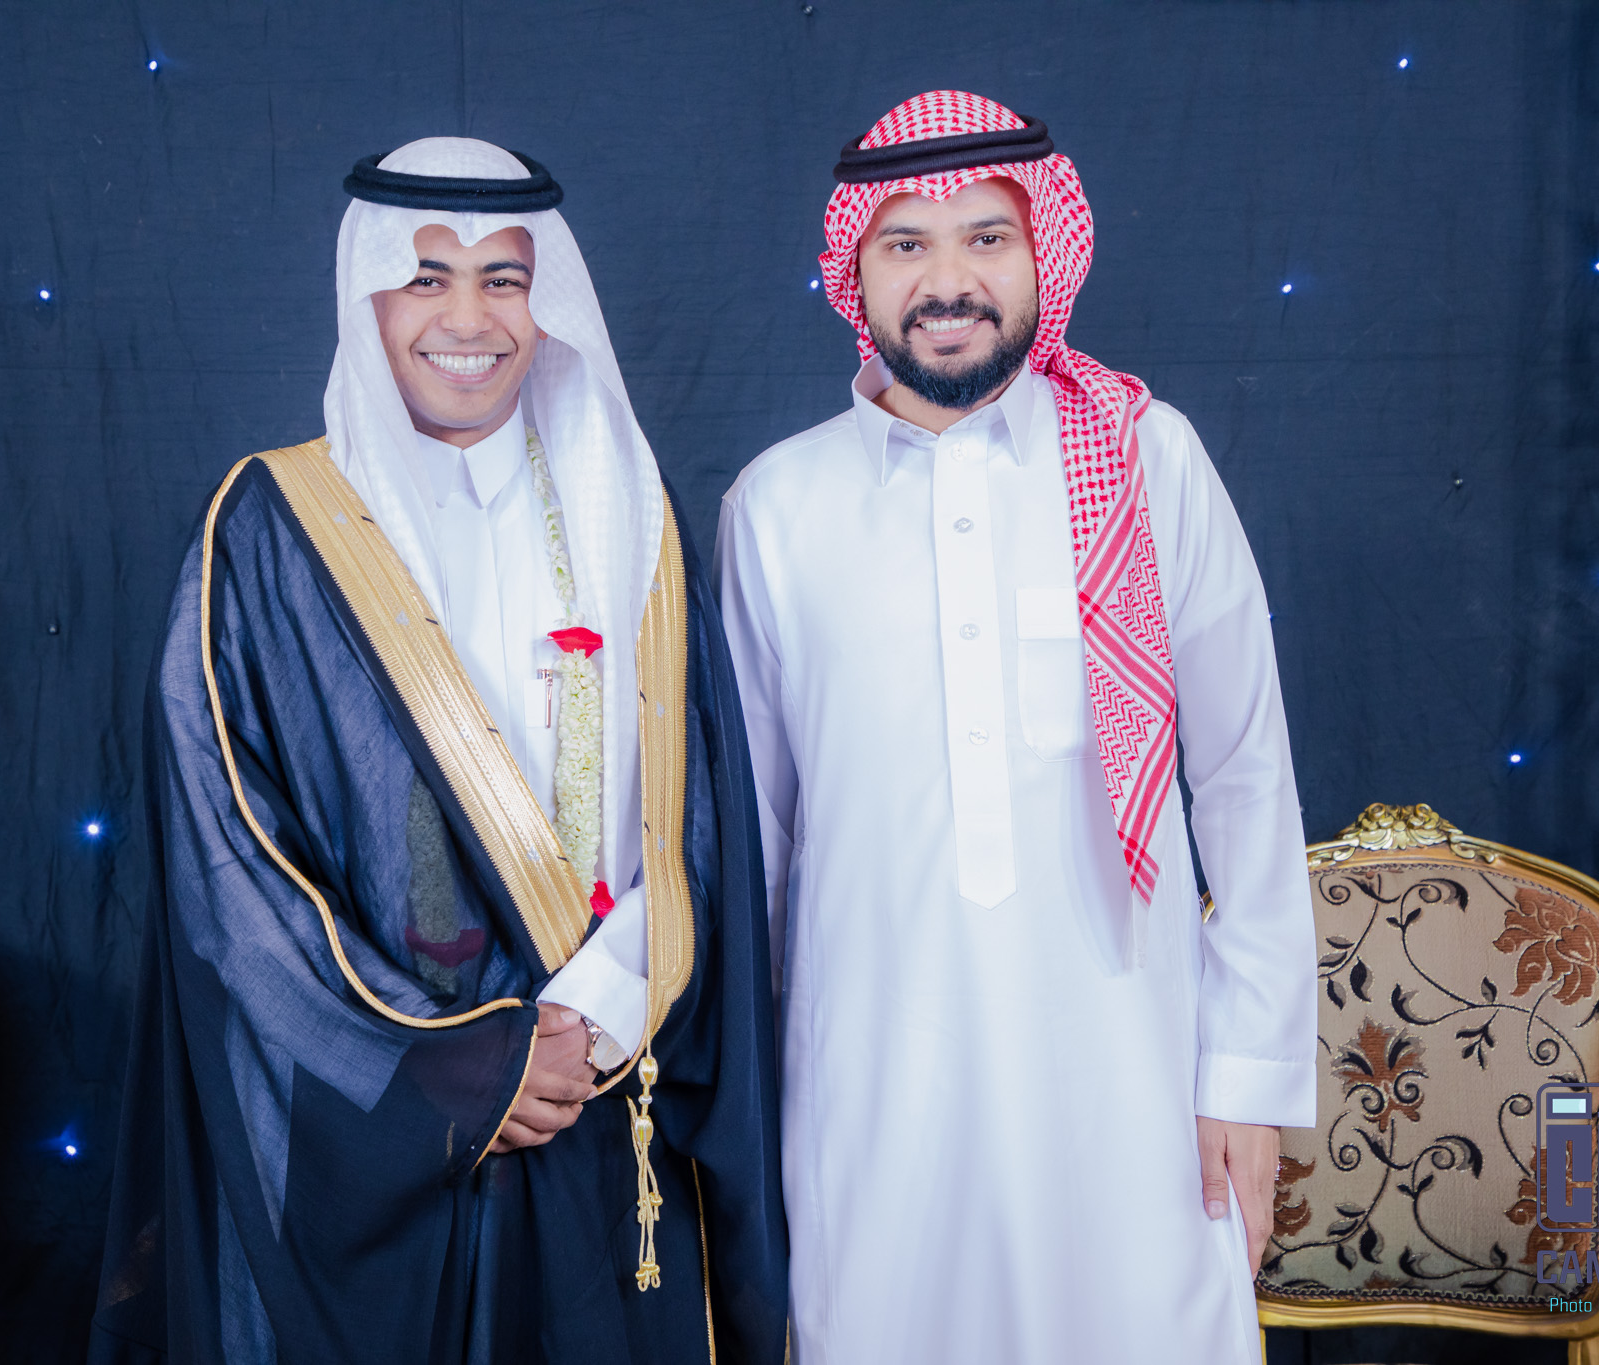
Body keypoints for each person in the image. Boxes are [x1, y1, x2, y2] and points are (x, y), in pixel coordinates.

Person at [90, 137, 786, 1365]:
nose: (467, 319)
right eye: (424, 278)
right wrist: (456, 1066)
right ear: (366, 297)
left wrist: (593, 1017)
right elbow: (228, 865)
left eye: (503, 278)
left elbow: (701, 818)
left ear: (545, 300)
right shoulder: (267, 528)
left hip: (605, 1086)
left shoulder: (633, 514)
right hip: (380, 1127)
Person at [716, 91, 1316, 1362]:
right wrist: (733, 1118)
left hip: (1131, 1089)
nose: (948, 283)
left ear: (1046, 251)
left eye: (986, 238)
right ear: (854, 272)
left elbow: (1244, 780)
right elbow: (751, 846)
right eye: (906, 245)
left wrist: (1247, 1082)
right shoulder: (775, 506)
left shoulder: (1147, 459)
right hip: (871, 1098)